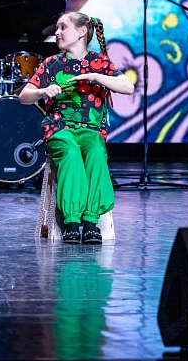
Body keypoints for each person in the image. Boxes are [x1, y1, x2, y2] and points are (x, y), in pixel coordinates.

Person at [19, 12, 134, 244]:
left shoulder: (99, 63)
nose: (57, 32)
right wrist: (42, 91)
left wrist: (96, 77)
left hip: (91, 129)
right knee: (71, 152)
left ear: (81, 32)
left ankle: (91, 221)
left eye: (63, 27)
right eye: (57, 28)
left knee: (96, 152)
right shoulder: (52, 64)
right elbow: (24, 96)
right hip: (59, 128)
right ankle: (72, 221)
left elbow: (128, 87)